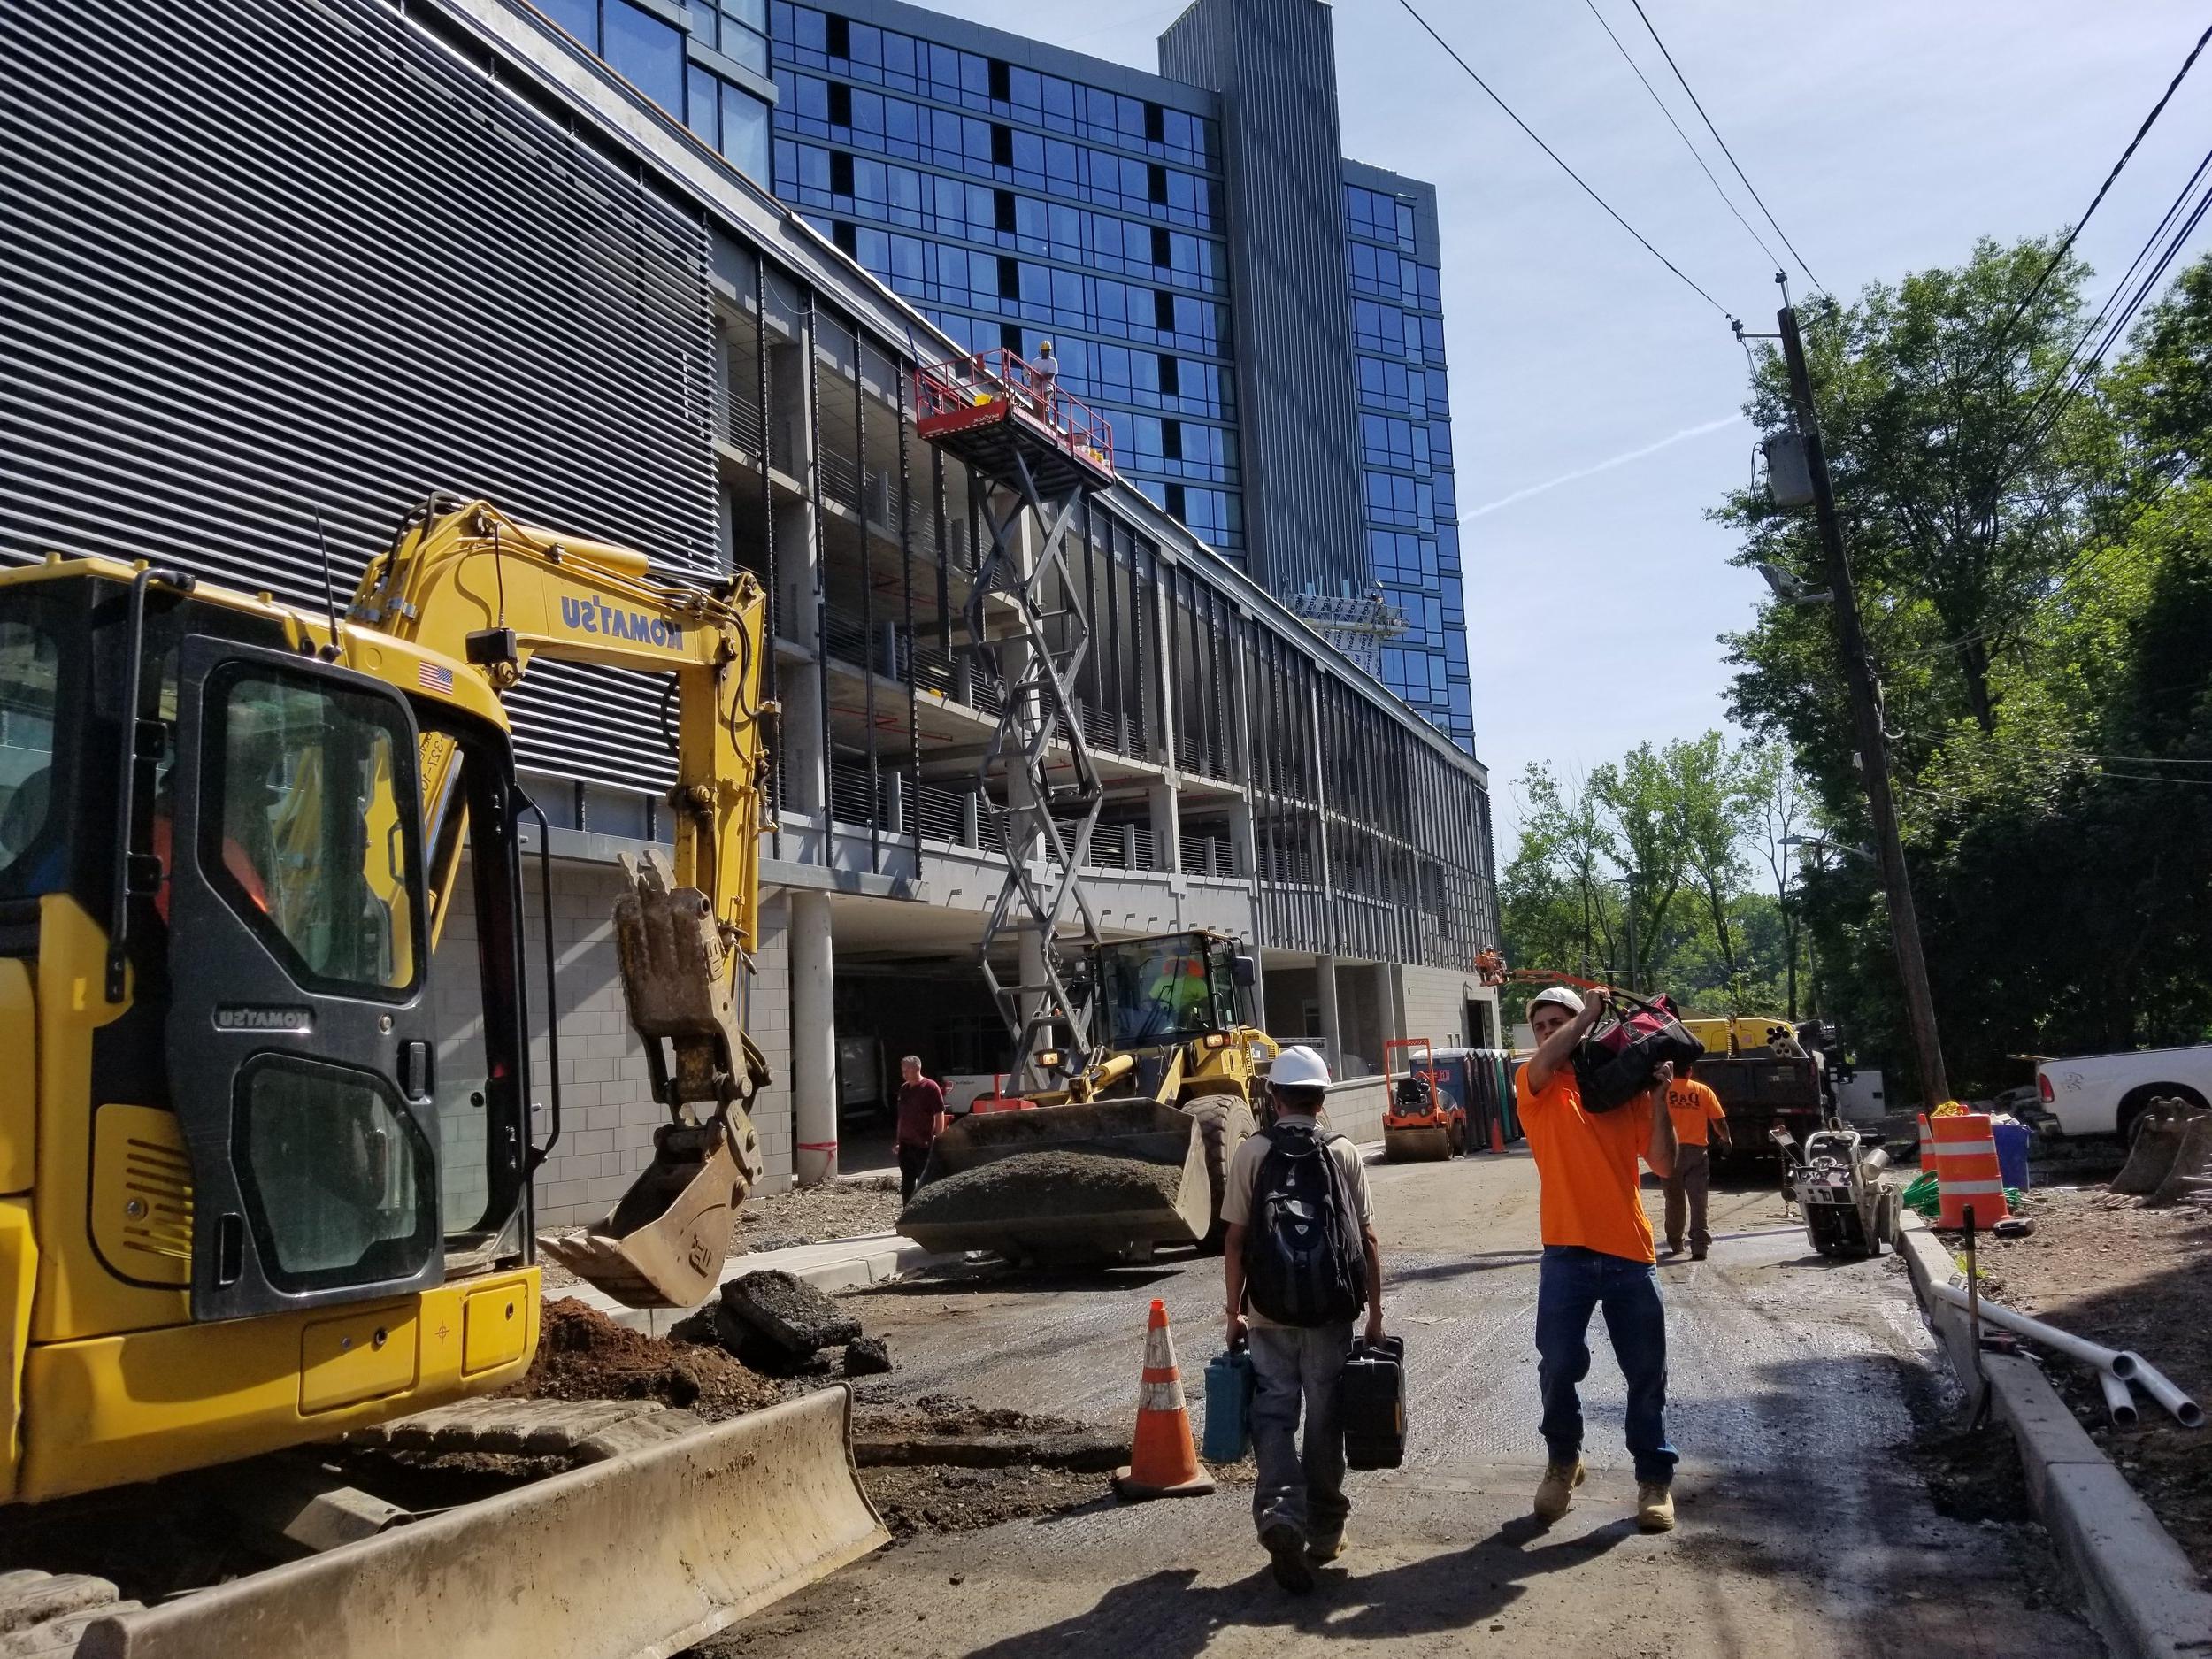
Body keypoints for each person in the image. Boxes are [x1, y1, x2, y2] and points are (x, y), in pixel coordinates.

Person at [1517, 984, 1681, 1533]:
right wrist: (1585, 1010)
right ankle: (1564, 1462)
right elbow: (1545, 1061)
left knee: (1645, 1373)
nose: (1547, 1032)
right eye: (1540, 1025)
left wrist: (1658, 1097)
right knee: (1558, 1365)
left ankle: (1653, 1479)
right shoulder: (1535, 1088)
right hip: (1565, 1251)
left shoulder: (1617, 1089)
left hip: (1630, 1253)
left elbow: (1663, 1162)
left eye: (1555, 1021)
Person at [1221, 1044, 1383, 1594]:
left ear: (1272, 1095)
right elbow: (1366, 1241)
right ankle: (1325, 1527)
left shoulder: (1252, 1153)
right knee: (1324, 1416)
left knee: (1273, 1413)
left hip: (1267, 1311)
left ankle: (1279, 1517)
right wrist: (1375, 1316)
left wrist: (1233, 1312)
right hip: (1332, 1313)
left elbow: (1237, 1240)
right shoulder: (1344, 1153)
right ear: (1321, 1097)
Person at [1661, 1067, 1730, 1260]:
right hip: (1696, 1153)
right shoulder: (1702, 1091)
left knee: (1673, 1200)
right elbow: (1719, 1121)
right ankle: (1699, 1246)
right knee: (1699, 1200)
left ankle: (1676, 1243)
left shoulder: (1662, 1091)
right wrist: (1726, 1139)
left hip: (1669, 1152)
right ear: (1690, 1071)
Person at [893, 1055, 945, 1204]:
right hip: (905, 1145)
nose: (904, 1074)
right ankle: (906, 1217)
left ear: (917, 1068)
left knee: (923, 1182)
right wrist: (898, 1141)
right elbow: (902, 1117)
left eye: (907, 1070)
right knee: (907, 1182)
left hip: (923, 1144)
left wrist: (938, 1136)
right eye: (903, 1071)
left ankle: (924, 1211)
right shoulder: (904, 1089)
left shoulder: (930, 1087)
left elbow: (939, 1113)